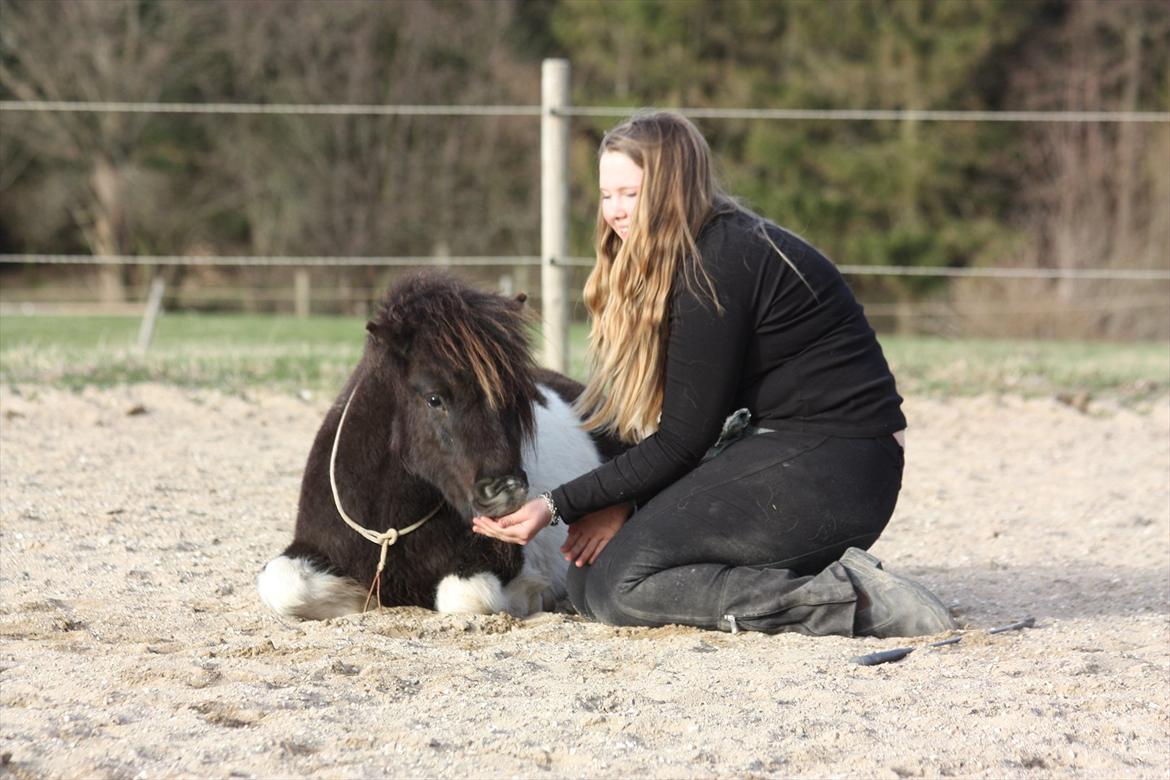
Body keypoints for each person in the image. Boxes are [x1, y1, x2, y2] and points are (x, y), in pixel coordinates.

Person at [472, 111, 955, 638]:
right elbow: (699, 423)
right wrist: (625, 506)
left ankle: (852, 601)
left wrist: (554, 504)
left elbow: (684, 439)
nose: (614, 212)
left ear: (671, 186)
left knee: (620, 588)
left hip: (838, 464)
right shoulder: (701, 252)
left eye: (631, 194)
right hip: (780, 450)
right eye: (607, 194)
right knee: (590, 583)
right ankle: (802, 579)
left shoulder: (721, 264)